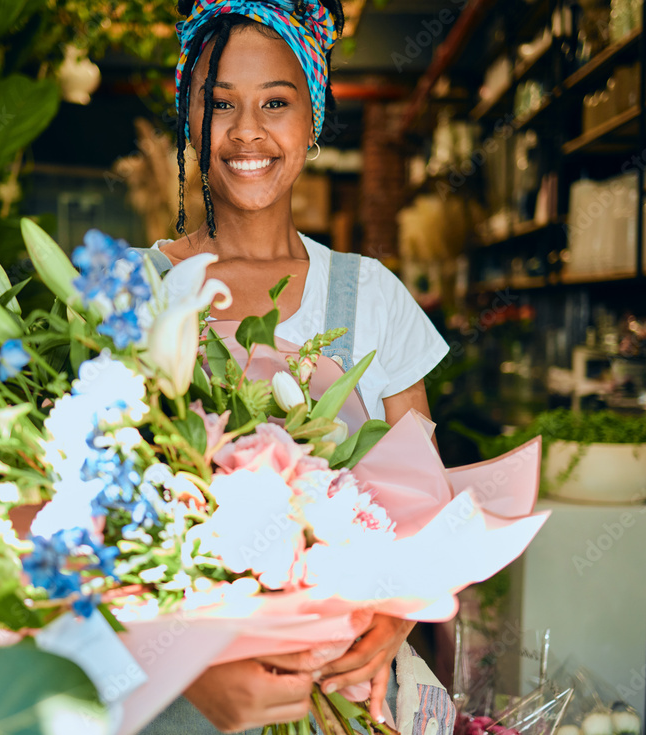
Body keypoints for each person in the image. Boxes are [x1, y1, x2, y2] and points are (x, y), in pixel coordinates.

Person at [139, 1, 454, 732]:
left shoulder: (371, 294)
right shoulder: (129, 294)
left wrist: (398, 617)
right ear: (189, 118)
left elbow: (427, 507)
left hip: (343, 690)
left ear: (311, 119)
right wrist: (196, 670)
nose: (248, 131)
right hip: (179, 703)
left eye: (275, 103)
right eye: (221, 105)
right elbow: (83, 532)